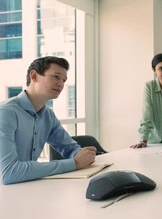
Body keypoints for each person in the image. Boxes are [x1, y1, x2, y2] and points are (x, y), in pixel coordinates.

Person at [0, 56, 96, 185]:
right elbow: (9, 173)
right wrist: (74, 163)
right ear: (34, 76)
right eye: (56, 77)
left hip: (27, 187)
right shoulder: (6, 113)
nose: (61, 84)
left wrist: (83, 155)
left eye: (64, 80)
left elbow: (70, 148)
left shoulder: (47, 115)